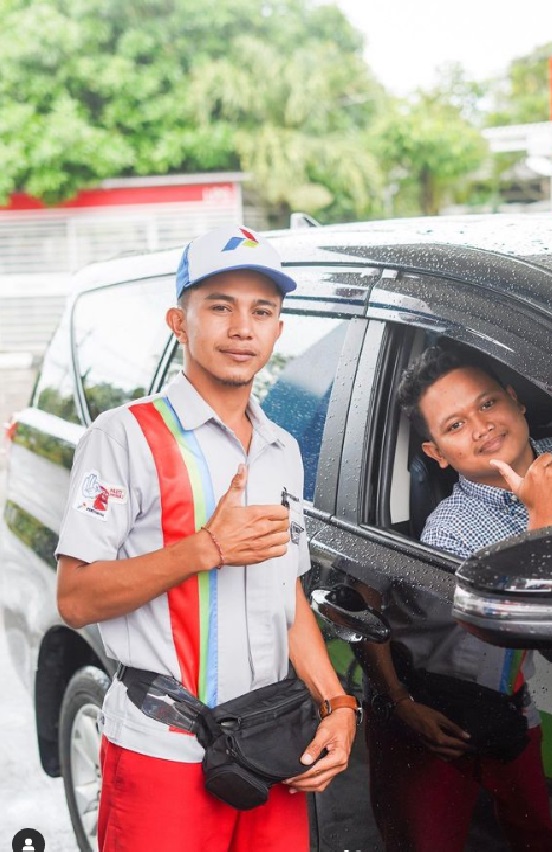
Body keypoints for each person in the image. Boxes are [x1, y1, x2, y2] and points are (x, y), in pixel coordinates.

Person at [55, 225, 358, 852]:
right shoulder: (124, 437)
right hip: (162, 746)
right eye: (220, 306)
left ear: (278, 329)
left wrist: (337, 703)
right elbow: (76, 599)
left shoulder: (282, 449)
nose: (242, 327)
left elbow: (287, 592)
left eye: (262, 310)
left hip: (272, 746)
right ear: (178, 321)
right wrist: (205, 549)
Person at [359, 343, 552, 852]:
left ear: (515, 400)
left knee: (537, 835)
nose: (482, 426)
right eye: (455, 425)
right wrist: (545, 524)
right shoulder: (451, 533)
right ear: (436, 452)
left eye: (487, 404)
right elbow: (513, 647)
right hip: (450, 707)